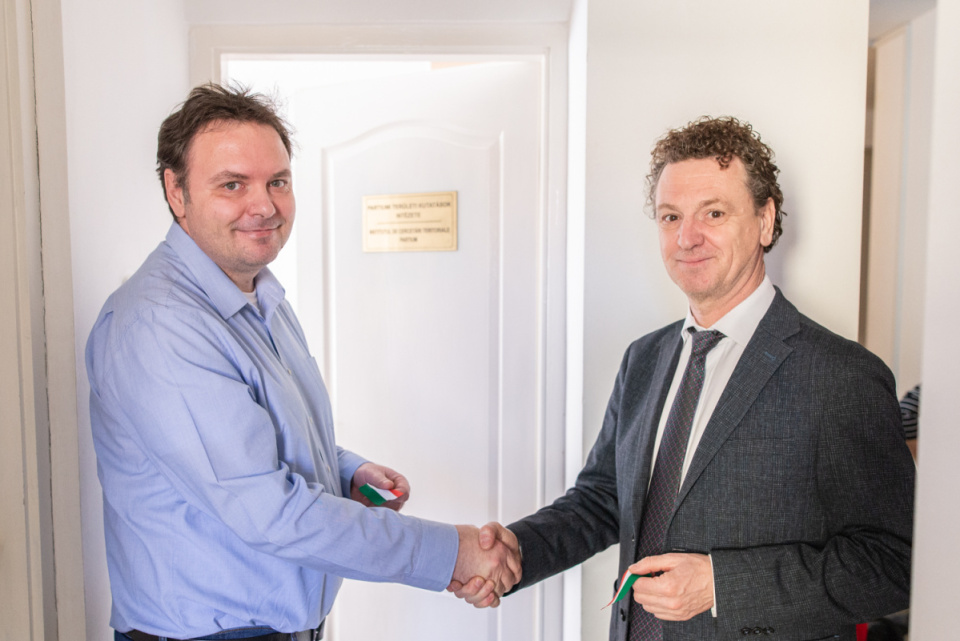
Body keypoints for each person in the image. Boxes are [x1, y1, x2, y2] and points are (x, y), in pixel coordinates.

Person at [452, 116, 914, 641]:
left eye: (713, 213)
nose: (687, 237)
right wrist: (517, 550)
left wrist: (721, 585)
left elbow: (893, 562)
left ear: (765, 221)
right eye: (670, 217)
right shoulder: (645, 358)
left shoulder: (842, 377)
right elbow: (604, 499)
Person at [86, 83, 520, 641]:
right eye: (233, 184)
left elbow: (256, 439)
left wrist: (346, 472)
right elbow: (269, 511)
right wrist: (453, 553)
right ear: (176, 191)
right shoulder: (160, 326)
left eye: (278, 182)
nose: (264, 206)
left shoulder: (258, 295)